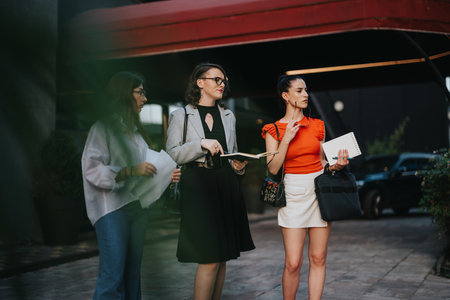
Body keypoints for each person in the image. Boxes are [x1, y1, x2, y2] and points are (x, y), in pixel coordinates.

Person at [81, 71, 181, 300]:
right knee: (112, 275)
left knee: (132, 276)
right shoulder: (103, 127)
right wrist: (129, 171)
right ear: (124, 93)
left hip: (136, 208)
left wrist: (167, 174)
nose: (145, 99)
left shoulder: (136, 134)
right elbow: (92, 170)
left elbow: (147, 165)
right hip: (111, 210)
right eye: (140, 92)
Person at [166, 63, 255, 300]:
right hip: (198, 186)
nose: (222, 84)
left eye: (224, 80)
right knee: (209, 257)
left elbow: (231, 152)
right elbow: (173, 153)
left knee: (223, 255)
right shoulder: (180, 115)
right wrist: (200, 145)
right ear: (200, 82)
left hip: (225, 184)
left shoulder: (229, 116)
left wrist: (238, 166)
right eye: (216, 79)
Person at [261, 75, 349, 300]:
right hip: (292, 195)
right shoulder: (273, 129)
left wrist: (336, 165)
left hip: (318, 194)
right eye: (299, 91)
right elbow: (273, 168)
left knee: (318, 258)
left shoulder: (317, 125)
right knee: (293, 263)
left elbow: (322, 163)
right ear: (286, 96)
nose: (305, 95)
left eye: (306, 90)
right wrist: (287, 139)